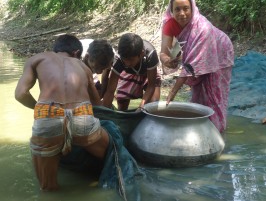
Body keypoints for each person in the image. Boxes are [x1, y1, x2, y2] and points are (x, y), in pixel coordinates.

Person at [14, 34, 109, 191]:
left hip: (48, 116)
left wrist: (40, 108)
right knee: (110, 150)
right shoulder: (83, 67)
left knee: (47, 188)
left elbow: (20, 94)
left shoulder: (37, 59)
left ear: (55, 50)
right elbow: (96, 104)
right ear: (77, 53)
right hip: (82, 117)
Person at [160, 0, 234, 132]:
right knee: (198, 94)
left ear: (192, 8)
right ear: (172, 10)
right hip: (196, 58)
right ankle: (200, 130)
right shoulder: (169, 24)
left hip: (220, 54)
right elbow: (163, 52)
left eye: (186, 8)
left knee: (215, 94)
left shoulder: (202, 28)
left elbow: (189, 68)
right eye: (177, 9)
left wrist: (172, 93)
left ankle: (218, 132)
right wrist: (167, 60)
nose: (182, 13)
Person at [102, 33, 161, 111]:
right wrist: (104, 112)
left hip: (148, 74)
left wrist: (140, 108)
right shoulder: (118, 59)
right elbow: (110, 90)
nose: (127, 63)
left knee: (153, 104)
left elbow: (151, 86)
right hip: (128, 73)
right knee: (122, 105)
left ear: (141, 54)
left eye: (131, 60)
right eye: (125, 60)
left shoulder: (150, 54)